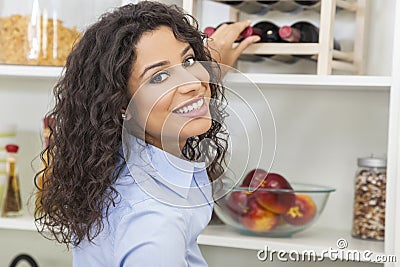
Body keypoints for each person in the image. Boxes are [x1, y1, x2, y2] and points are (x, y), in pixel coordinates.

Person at [34, 1, 260, 266]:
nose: (192, 83)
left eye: (188, 61)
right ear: (119, 104)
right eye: (159, 78)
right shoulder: (154, 222)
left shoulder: (109, 160)